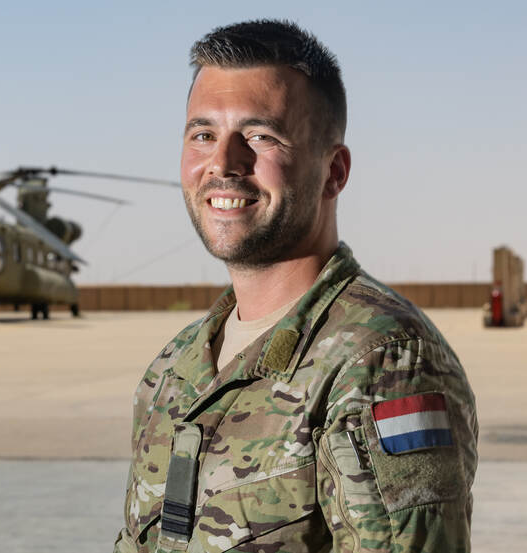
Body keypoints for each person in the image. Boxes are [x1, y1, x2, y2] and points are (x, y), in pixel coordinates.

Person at [113, 19, 477, 553]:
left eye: (261, 136)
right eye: (203, 134)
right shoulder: (174, 370)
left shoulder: (380, 363)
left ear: (334, 171)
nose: (223, 163)